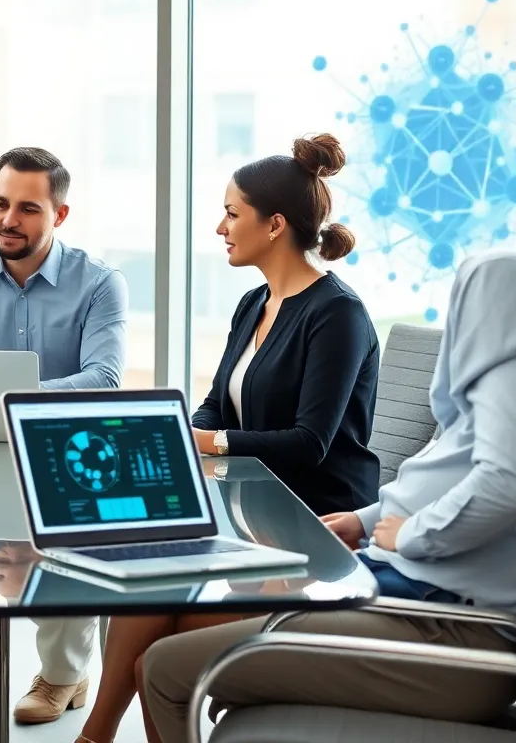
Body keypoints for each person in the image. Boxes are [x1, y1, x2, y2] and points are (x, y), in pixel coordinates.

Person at [139, 250, 516, 743]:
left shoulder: (512, 294)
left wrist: (407, 534)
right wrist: (368, 520)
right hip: (425, 600)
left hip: (448, 634)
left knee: (165, 669)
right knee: (189, 619)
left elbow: (510, 486)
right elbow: (459, 467)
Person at [77, 133, 379, 743]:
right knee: (150, 575)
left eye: (231, 213)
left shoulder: (337, 313)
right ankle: (97, 734)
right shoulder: (255, 302)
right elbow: (218, 405)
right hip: (249, 511)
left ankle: (96, 736)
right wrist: (172, 435)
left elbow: (309, 442)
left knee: (165, 635)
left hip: (312, 520)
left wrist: (208, 445)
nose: (220, 226)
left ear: (273, 225)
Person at [0, 146, 128, 725]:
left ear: (59, 215)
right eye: (0, 203)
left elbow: (104, 379)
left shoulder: (99, 283)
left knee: (62, 523)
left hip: (71, 451)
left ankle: (63, 674)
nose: (9, 219)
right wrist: (2, 401)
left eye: (28, 208)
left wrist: (9, 396)